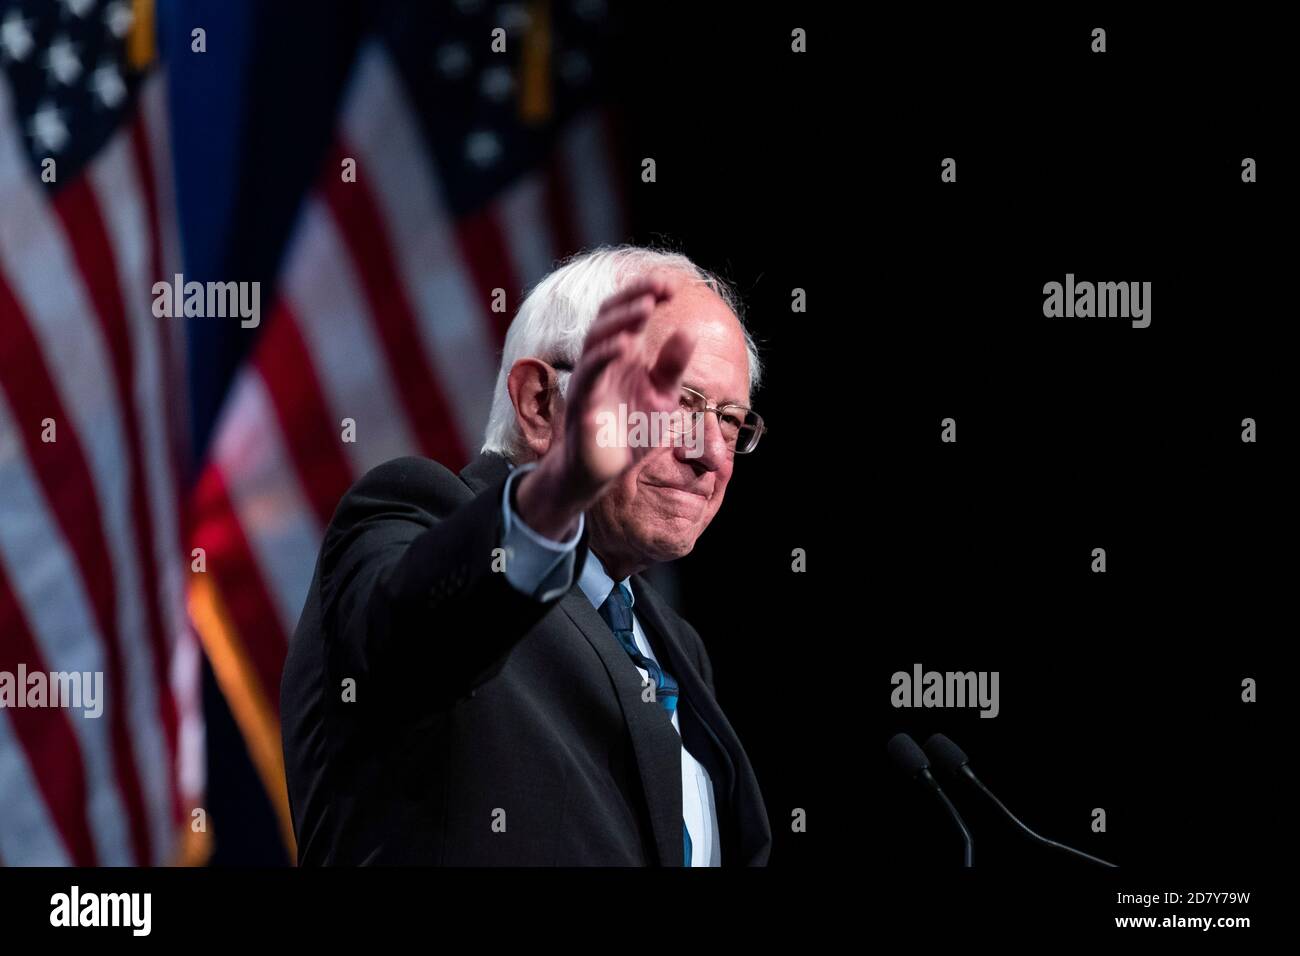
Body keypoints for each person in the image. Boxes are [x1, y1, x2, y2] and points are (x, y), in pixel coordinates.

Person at [281, 245, 771, 865]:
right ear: (541, 402)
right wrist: (556, 493)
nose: (710, 454)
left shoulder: (675, 645)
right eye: (676, 404)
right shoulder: (418, 513)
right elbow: (409, 645)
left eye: (730, 420)